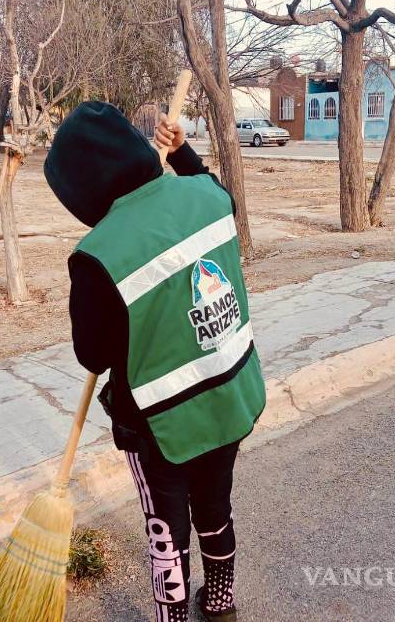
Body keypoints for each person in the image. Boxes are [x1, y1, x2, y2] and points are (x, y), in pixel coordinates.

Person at [43, 101, 266, 622]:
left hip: (159, 426)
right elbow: (213, 188)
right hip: (228, 394)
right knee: (215, 509)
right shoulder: (208, 197)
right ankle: (220, 601)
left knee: (166, 529)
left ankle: (171, 616)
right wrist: (183, 150)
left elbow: (93, 355)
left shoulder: (97, 254)